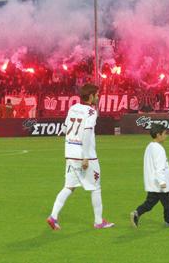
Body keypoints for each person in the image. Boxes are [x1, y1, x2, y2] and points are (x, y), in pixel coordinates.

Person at [47, 83, 115, 230]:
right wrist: (85, 156)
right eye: (97, 95)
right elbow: (87, 133)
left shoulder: (73, 108)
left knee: (69, 187)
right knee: (96, 188)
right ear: (90, 96)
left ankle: (53, 216)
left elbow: (65, 126)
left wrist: (63, 135)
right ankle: (98, 221)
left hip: (70, 153)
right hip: (86, 156)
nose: (98, 97)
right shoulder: (91, 112)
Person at [130, 123, 169, 227]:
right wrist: (162, 181)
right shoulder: (159, 149)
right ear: (158, 135)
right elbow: (159, 166)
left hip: (152, 182)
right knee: (167, 203)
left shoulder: (150, 146)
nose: (166, 136)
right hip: (159, 183)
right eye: (165, 134)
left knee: (150, 203)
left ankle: (137, 213)